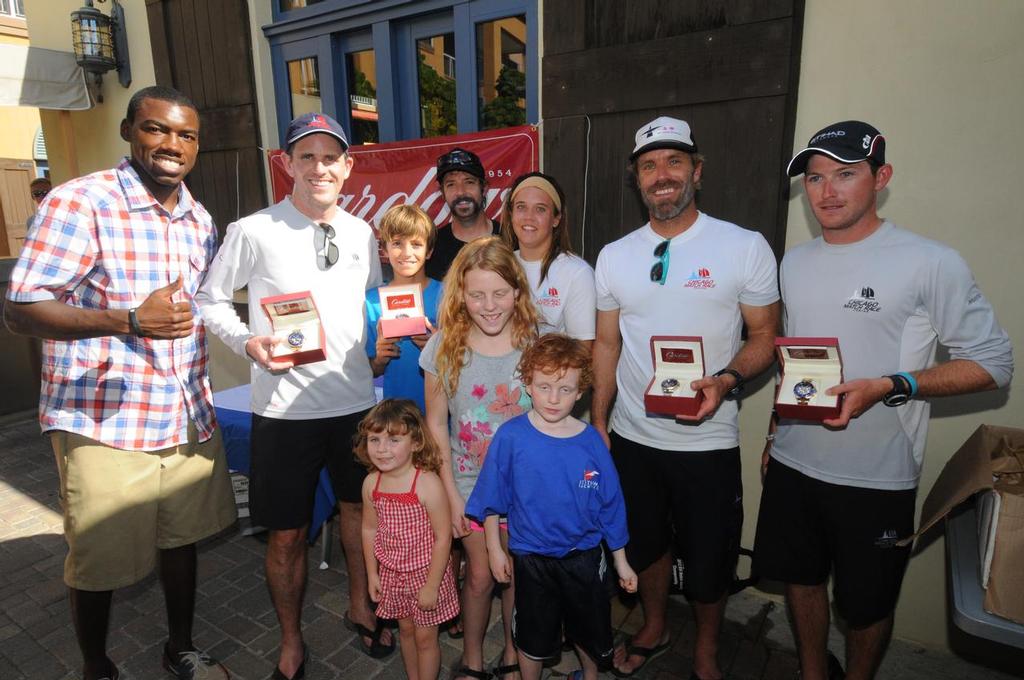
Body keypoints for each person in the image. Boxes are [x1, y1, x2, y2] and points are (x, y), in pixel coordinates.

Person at [754, 120, 1013, 680]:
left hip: (877, 476)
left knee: (866, 605)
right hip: (797, 463)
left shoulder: (930, 261)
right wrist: (776, 433)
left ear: (882, 178)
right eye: (816, 177)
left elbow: (993, 364)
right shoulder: (794, 262)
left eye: (844, 175)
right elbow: (798, 362)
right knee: (800, 579)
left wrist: (891, 386)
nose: (826, 191)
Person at [4, 85, 236, 680]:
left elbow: (196, 308)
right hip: (101, 419)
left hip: (183, 410)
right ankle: (95, 664)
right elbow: (22, 308)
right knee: (99, 559)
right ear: (130, 130)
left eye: (186, 136)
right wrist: (128, 319)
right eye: (157, 129)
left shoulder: (198, 217)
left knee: (181, 539)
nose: (172, 145)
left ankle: (179, 646)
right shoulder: (79, 203)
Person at [195, 111, 392, 679]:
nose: (318, 167)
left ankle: (361, 604)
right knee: (286, 533)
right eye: (305, 156)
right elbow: (209, 300)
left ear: (348, 167)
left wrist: (379, 343)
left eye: (330, 157)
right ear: (286, 165)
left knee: (358, 513)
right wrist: (247, 339)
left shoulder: (360, 232)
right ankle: (290, 640)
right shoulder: (254, 230)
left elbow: (372, 304)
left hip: (355, 405)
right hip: (283, 411)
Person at [592, 116, 780, 680]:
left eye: (674, 162)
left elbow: (766, 337)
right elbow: (606, 343)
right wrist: (599, 421)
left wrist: (725, 379)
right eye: (649, 166)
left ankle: (705, 647)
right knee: (643, 546)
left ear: (696, 171)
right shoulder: (615, 255)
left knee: (709, 557)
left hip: (709, 438)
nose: (662, 175)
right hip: (633, 436)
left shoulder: (743, 247)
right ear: (637, 180)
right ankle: (654, 625)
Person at [466, 333, 638, 680]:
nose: (554, 398)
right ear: (528, 383)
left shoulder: (591, 442)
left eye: (565, 389)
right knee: (532, 632)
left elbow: (611, 504)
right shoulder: (511, 437)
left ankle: (589, 676)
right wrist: (495, 551)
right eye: (544, 387)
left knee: (589, 628)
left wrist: (621, 563)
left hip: (585, 557)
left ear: (580, 391)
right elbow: (492, 497)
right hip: (531, 557)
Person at [420, 236, 538, 680]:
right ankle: (471, 656)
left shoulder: (535, 342)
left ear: (517, 293)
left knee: (516, 574)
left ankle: (511, 650)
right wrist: (450, 495)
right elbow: (436, 426)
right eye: (477, 295)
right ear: (461, 295)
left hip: (525, 489)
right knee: (481, 575)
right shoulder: (444, 347)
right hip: (468, 485)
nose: (489, 306)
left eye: (500, 293)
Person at [357, 399, 460, 680]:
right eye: (374, 439)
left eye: (393, 440)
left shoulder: (427, 484)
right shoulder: (371, 484)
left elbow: (442, 539)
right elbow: (369, 529)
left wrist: (432, 585)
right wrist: (371, 573)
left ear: (415, 442)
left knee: (426, 639)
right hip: (392, 575)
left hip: (426, 575)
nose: (381, 449)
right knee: (405, 631)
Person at [500, 172, 596, 348]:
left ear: (556, 219)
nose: (529, 217)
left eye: (540, 209)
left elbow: (582, 352)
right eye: (521, 207)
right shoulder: (498, 265)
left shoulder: (577, 273)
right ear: (511, 214)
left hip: (551, 374)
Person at [365, 204, 442, 412]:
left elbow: (465, 362)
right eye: (397, 243)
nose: (406, 253)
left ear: (429, 251)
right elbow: (370, 370)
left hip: (444, 416)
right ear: (385, 250)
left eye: (416, 244)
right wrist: (380, 359)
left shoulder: (448, 296)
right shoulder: (371, 302)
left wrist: (437, 350)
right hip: (395, 421)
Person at [425, 148, 501, 280]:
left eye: (469, 182)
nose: (460, 192)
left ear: (484, 189)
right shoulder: (431, 247)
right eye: (451, 184)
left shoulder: (510, 238)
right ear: (442, 193)